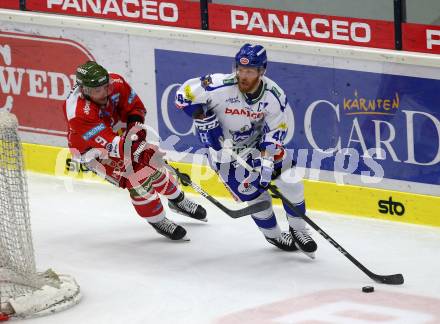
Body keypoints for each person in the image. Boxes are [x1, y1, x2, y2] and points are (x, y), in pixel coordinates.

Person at [174, 44, 317, 257]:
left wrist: (266, 164)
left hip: (258, 145)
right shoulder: (218, 84)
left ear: (262, 71)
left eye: (249, 71)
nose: (243, 76)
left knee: (291, 180)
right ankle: (273, 235)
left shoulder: (273, 95)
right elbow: (182, 96)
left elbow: (276, 131)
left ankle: (298, 229)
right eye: (240, 70)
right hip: (224, 153)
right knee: (257, 196)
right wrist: (202, 117)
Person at [64, 61, 206, 241]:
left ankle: (178, 200)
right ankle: (158, 220)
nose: (104, 93)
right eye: (97, 91)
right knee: (138, 177)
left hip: (120, 136)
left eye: (105, 87)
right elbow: (114, 147)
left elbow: (136, 109)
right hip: (94, 151)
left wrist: (137, 137)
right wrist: (141, 148)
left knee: (154, 168)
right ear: (84, 90)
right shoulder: (78, 114)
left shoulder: (116, 83)